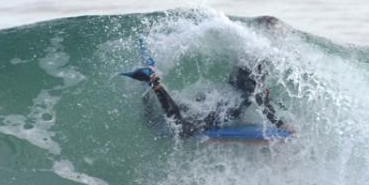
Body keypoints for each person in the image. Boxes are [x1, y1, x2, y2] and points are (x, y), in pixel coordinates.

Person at [122, 62, 286, 137]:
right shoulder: (253, 89)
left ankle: (148, 89)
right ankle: (154, 83)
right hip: (214, 111)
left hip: (210, 100)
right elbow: (259, 100)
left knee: (153, 123)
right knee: (181, 129)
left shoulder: (240, 76)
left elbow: (260, 99)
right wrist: (281, 125)